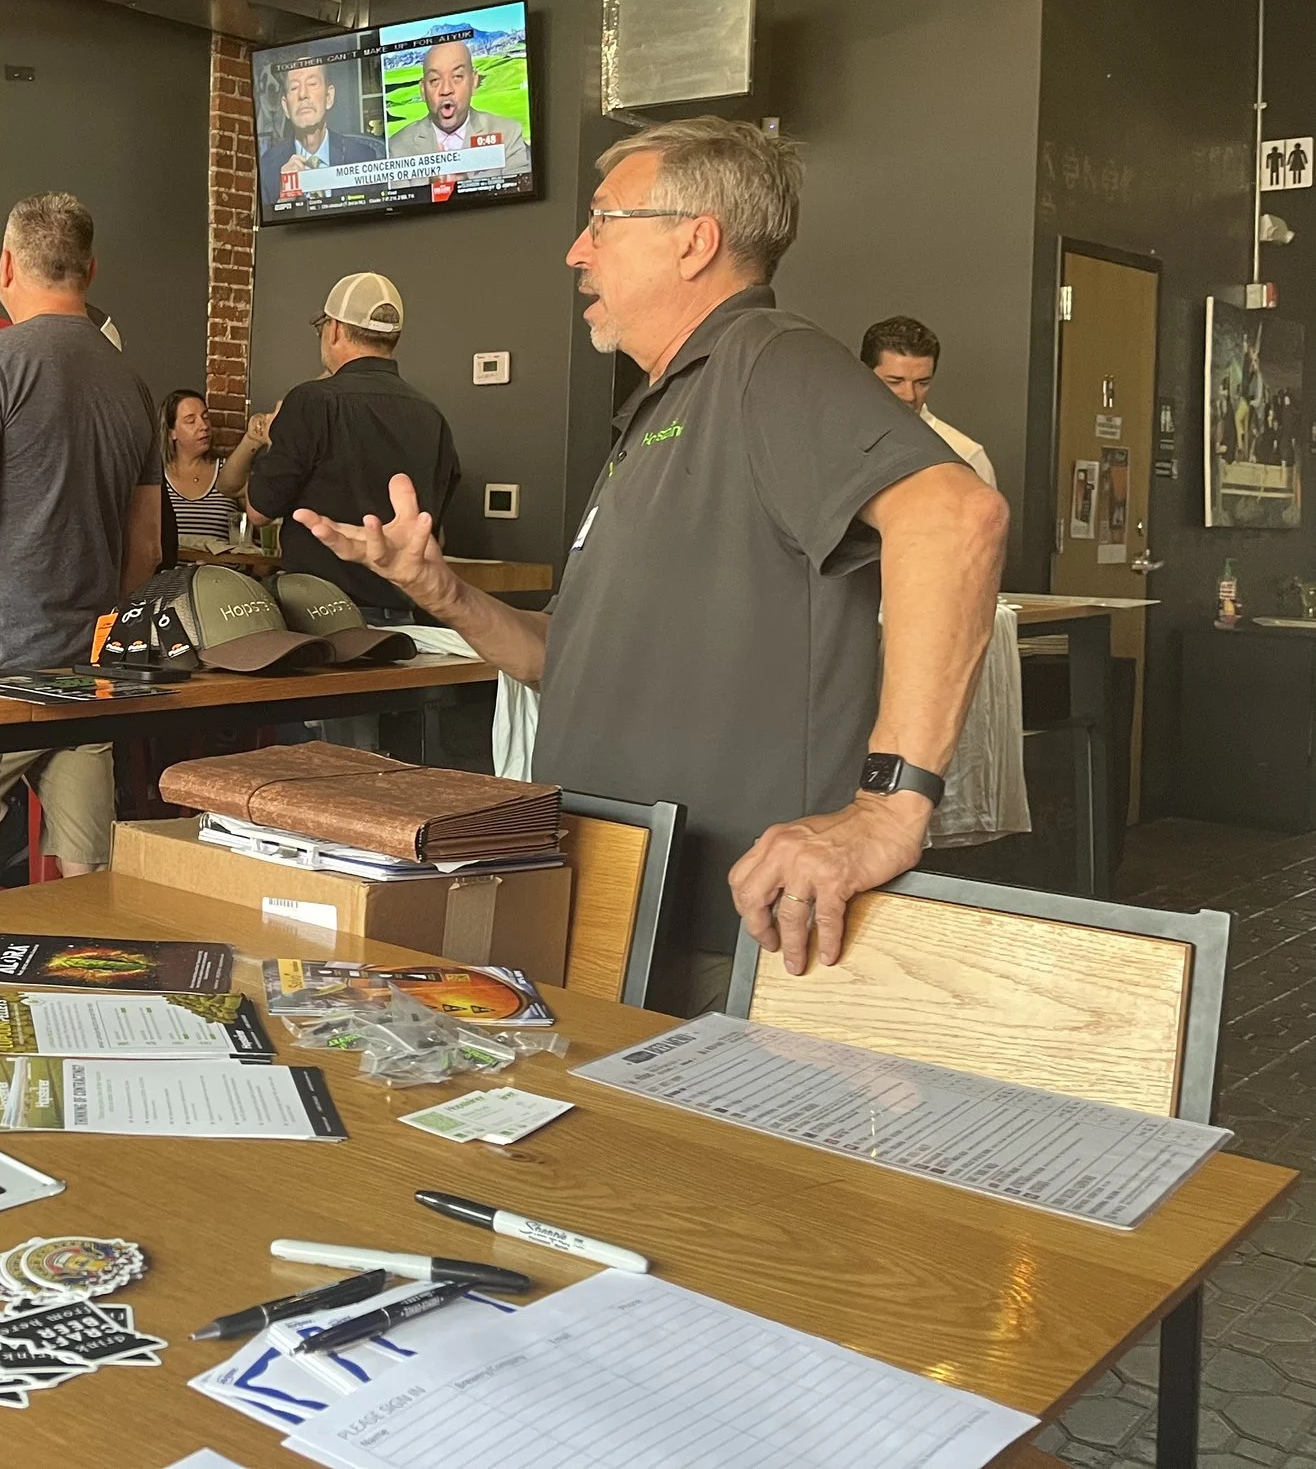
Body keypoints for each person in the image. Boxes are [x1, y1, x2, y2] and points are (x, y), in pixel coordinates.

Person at [295, 118, 1009, 1008]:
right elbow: (569, 664)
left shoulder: (769, 360)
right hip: (620, 914)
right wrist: (435, 588)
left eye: (601, 221)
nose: (575, 251)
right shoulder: (661, 409)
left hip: (734, 938)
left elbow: (958, 516)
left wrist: (890, 807)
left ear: (694, 241)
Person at [0, 192, 159, 875]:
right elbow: (148, 549)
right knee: (87, 882)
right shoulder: (133, 384)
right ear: (90, 270)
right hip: (88, 672)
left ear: (6, 265)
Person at [246, 272, 461, 616]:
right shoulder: (431, 414)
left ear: (333, 329)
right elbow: (437, 532)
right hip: (406, 618)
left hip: (318, 617)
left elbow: (258, 511)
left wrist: (274, 439)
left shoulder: (311, 401)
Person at [862, 315, 998, 488]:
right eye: (895, 382)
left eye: (922, 383)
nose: (909, 395)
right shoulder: (831, 442)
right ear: (865, 376)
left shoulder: (965, 456)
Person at [385, 39, 531, 174]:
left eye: (457, 77)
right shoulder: (397, 147)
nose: (446, 90)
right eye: (435, 80)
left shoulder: (508, 134)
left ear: (474, 82)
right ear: (423, 90)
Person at [258, 55, 382, 201]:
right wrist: (284, 201)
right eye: (294, 87)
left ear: (328, 97)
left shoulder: (362, 157)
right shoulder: (268, 166)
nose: (303, 94)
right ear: (285, 107)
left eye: (312, 84)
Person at [161, 388, 270, 550]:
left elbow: (264, 523)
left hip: (220, 573)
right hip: (170, 574)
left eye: (205, 417)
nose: (203, 426)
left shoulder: (229, 474)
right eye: (191, 421)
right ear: (172, 433)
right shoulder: (157, 477)